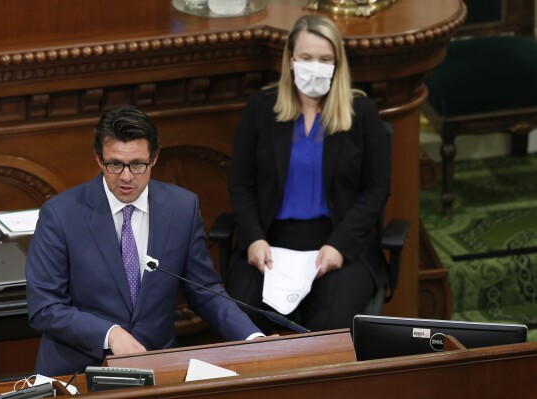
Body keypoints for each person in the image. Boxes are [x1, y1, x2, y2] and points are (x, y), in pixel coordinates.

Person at [26, 106, 263, 376]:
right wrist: (110, 334)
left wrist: (252, 339)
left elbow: (204, 289)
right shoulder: (60, 214)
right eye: (115, 164)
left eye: (137, 164)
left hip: (155, 368)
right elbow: (44, 307)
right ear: (98, 158)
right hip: (78, 371)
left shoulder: (182, 208)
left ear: (154, 158)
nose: (126, 177)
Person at [224, 14, 391, 334]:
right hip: (271, 241)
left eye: (325, 59)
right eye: (306, 58)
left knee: (329, 328)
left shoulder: (362, 114)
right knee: (244, 320)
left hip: (339, 242)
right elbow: (241, 184)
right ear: (290, 60)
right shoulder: (261, 108)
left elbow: (376, 189)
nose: (315, 66)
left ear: (337, 64)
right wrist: (253, 238)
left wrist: (339, 246)